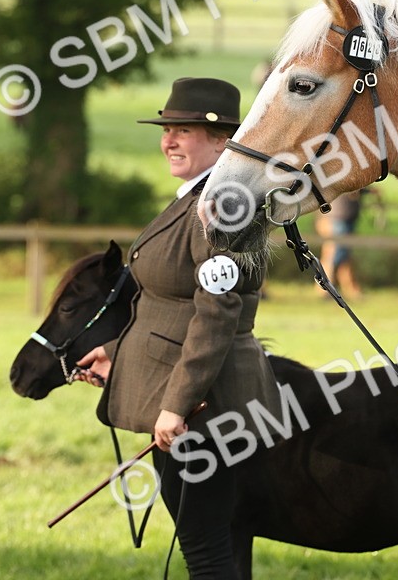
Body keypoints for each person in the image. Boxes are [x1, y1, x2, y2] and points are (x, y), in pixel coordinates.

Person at [75, 77, 281, 580]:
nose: (169, 140)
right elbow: (166, 305)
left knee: (207, 552)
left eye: (184, 130)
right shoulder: (194, 198)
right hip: (188, 402)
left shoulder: (221, 208)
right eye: (167, 129)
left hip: (206, 408)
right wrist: (115, 353)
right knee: (204, 547)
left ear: (221, 141)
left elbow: (216, 314)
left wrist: (176, 404)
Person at [313, 187, 382, 298]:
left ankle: (349, 289)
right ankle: (326, 289)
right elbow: (348, 187)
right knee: (335, 255)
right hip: (338, 217)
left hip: (341, 217)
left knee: (342, 256)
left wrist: (367, 191)